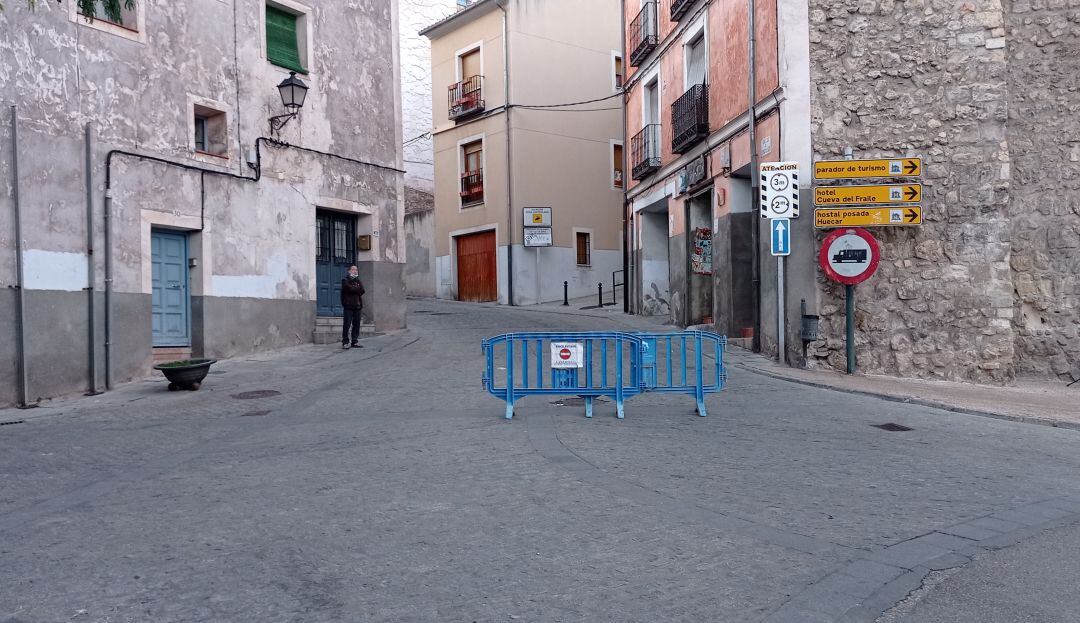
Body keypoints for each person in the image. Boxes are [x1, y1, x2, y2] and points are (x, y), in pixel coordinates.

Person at [340, 266, 365, 349]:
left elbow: (362, 290)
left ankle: (354, 341)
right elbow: (349, 288)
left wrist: (355, 288)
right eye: (353, 269)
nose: (355, 271)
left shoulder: (358, 280)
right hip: (348, 306)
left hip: (357, 306)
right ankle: (345, 342)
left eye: (356, 269)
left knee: (356, 325)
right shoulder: (345, 280)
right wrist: (356, 288)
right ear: (349, 271)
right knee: (347, 325)